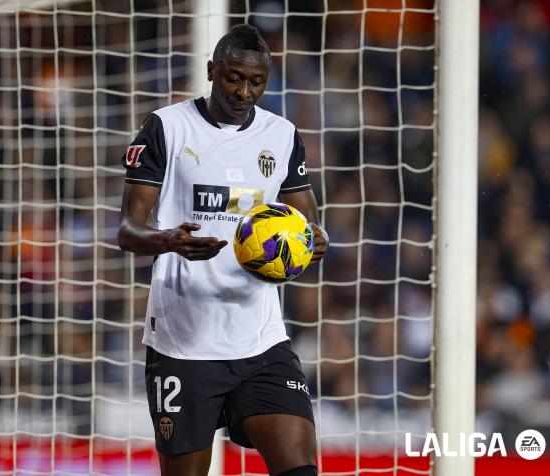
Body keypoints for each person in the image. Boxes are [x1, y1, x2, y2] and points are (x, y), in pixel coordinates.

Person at [118, 24, 329, 476]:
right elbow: (128, 229)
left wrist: (314, 240)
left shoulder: (282, 135)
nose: (244, 92)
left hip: (260, 339)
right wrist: (167, 239)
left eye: (256, 82)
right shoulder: (166, 128)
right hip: (184, 340)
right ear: (212, 70)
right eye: (234, 78)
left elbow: (307, 221)